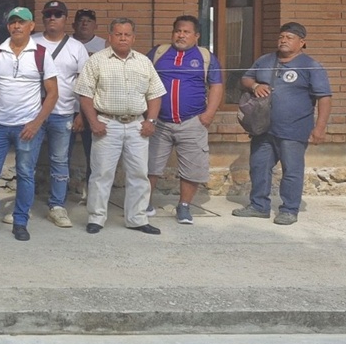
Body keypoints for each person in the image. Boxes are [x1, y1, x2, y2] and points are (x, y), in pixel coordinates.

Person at [0, 7, 59, 242]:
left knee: (25, 175)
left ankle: (20, 222)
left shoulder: (41, 54)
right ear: (8, 26)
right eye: (13, 22)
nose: (16, 26)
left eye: (22, 22)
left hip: (27, 127)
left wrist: (37, 123)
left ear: (31, 26)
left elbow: (53, 93)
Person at [232, 22, 332, 225]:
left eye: (290, 37)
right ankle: (259, 206)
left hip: (294, 129)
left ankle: (289, 209)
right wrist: (255, 85)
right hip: (263, 128)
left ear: (302, 42)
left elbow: (324, 97)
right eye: (282, 37)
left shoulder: (311, 65)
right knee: (259, 166)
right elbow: (245, 78)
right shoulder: (265, 60)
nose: (284, 40)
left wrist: (320, 127)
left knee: (292, 170)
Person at [75, 18, 166, 235]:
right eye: (118, 34)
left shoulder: (144, 62)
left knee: (139, 173)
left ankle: (137, 218)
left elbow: (155, 94)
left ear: (134, 38)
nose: (123, 38)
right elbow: (85, 94)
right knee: (101, 174)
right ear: (110, 36)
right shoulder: (96, 61)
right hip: (106, 124)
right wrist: (93, 122)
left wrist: (151, 121)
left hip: (137, 125)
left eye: (127, 34)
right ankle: (96, 218)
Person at [147, 15, 224, 225]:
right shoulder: (158, 53)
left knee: (192, 168)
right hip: (159, 123)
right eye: (178, 31)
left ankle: (184, 207)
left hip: (192, 122)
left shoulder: (205, 57)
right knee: (149, 165)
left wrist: (208, 115)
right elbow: (141, 79)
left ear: (196, 36)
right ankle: (145, 203)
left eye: (186, 32)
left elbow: (217, 85)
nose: (181, 35)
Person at [28, 0, 89, 229]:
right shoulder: (31, 42)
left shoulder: (76, 48)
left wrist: (81, 114)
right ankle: (23, 206)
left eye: (58, 14)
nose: (52, 18)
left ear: (65, 19)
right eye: (49, 14)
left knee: (60, 161)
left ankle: (57, 206)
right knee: (28, 159)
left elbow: (85, 84)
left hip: (64, 113)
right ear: (43, 18)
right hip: (32, 113)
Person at [70, 8, 105, 197]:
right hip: (66, 107)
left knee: (94, 155)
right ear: (73, 24)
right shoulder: (66, 44)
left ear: (95, 26)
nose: (84, 24)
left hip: (93, 110)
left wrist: (84, 114)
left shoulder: (104, 46)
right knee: (60, 156)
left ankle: (92, 193)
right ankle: (59, 194)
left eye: (89, 21)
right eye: (81, 20)